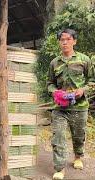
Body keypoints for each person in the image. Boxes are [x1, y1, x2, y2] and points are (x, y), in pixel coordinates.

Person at [47, 29, 95, 180]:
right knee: (58, 136)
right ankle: (59, 169)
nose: (65, 42)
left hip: (79, 107)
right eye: (62, 40)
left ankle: (78, 156)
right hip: (59, 108)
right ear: (59, 42)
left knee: (78, 135)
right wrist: (55, 92)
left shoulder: (84, 60)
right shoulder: (54, 62)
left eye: (68, 39)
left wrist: (83, 90)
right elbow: (49, 83)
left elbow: (92, 81)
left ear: (74, 41)